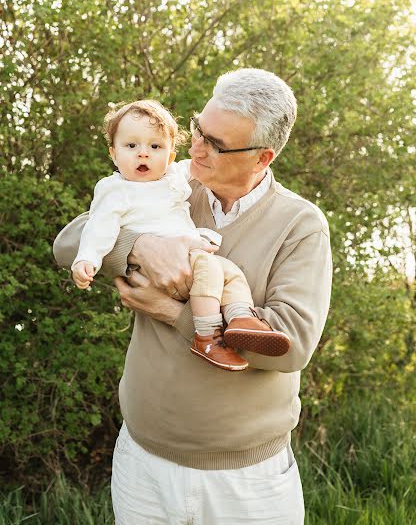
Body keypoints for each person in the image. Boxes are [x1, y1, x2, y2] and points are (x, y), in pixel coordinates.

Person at [54, 68, 332, 524]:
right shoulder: (170, 185)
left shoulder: (300, 225)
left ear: (262, 157)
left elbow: (291, 345)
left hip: (249, 482)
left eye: (217, 144)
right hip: (143, 463)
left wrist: (168, 310)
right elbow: (69, 243)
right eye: (198, 128)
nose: (196, 147)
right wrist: (141, 247)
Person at [71, 99, 291, 371]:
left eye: (155, 146)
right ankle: (208, 336)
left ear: (171, 155)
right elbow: (97, 227)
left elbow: (195, 165)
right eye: (131, 146)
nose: (143, 154)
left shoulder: (173, 176)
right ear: (113, 154)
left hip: (191, 255)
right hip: (160, 267)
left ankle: (241, 318)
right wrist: (88, 258)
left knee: (231, 273)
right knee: (211, 268)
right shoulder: (115, 191)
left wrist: (173, 312)